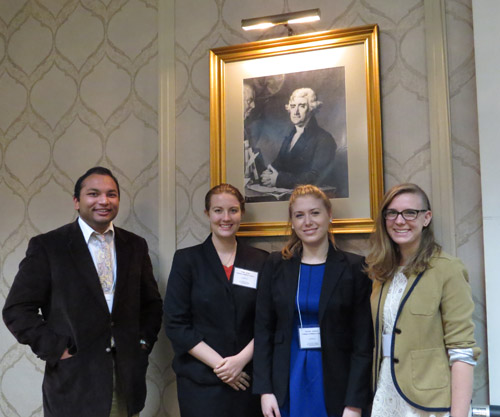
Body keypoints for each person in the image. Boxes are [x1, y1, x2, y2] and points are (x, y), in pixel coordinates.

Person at [2, 166, 163, 417]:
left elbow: (151, 304)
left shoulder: (134, 246)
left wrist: (142, 343)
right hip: (74, 381)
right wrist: (57, 349)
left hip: (126, 379)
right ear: (77, 201)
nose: (103, 201)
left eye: (111, 194)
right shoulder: (49, 246)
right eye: (94, 194)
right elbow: (17, 309)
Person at [253, 184, 373, 417]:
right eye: (299, 215)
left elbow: (363, 342)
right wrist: (264, 391)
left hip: (335, 383)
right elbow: (263, 330)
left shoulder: (355, 267)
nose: (308, 222)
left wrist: (354, 403)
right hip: (285, 380)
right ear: (292, 222)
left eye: (315, 213)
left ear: (329, 215)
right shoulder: (275, 265)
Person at [365, 183, 481, 417]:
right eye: (392, 213)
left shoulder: (447, 270)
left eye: (410, 213)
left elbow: (462, 351)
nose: (400, 220)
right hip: (385, 394)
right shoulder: (380, 272)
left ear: (426, 218)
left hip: (427, 404)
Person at [164, 183, 268, 417]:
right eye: (218, 210)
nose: (226, 218)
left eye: (233, 210)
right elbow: (176, 324)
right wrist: (223, 366)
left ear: (241, 213)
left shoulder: (261, 260)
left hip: (247, 381)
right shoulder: (186, 260)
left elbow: (267, 320)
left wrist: (239, 362)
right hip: (200, 384)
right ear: (207, 214)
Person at [260, 88, 337, 190]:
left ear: (311, 109)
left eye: (302, 106)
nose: (295, 112)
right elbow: (277, 165)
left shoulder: (324, 139)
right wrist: (268, 174)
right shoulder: (291, 135)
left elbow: (316, 177)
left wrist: (279, 180)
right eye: (293, 106)